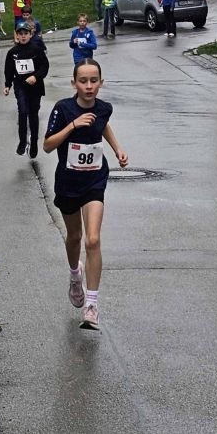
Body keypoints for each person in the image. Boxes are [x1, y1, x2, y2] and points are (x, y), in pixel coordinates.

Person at [43, 59, 128, 331]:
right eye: (83, 81)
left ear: (101, 82)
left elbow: (102, 125)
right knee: (75, 237)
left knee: (92, 239)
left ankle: (91, 306)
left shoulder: (104, 108)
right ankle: (74, 274)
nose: (89, 86)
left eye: (94, 81)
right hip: (68, 183)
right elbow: (47, 145)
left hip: (94, 180)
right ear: (74, 83)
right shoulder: (63, 109)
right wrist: (73, 126)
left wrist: (117, 149)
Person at [4, 21, 49, 158]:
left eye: (25, 33)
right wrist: (7, 85)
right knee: (22, 112)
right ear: (17, 36)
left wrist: (36, 77)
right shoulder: (12, 52)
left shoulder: (36, 50)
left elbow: (45, 66)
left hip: (35, 87)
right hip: (20, 87)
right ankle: (22, 142)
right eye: (20, 34)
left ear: (30, 34)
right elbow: (9, 70)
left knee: (33, 114)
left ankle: (34, 141)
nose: (23, 36)